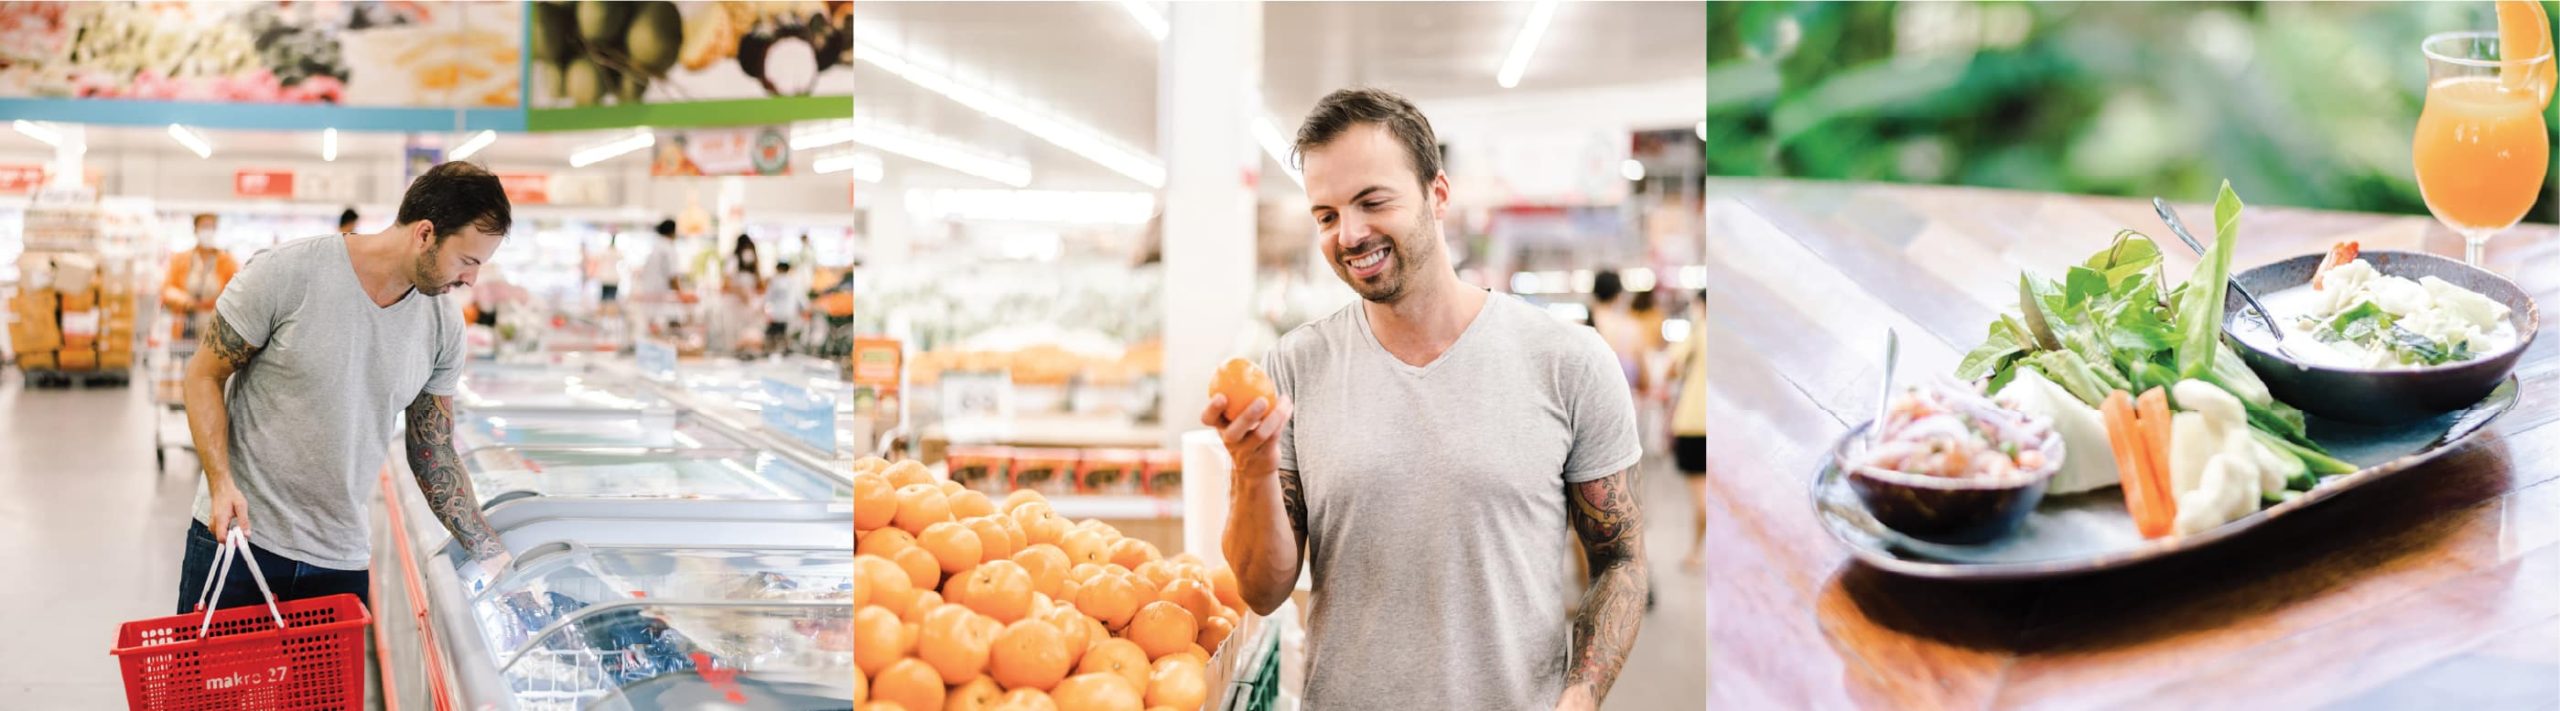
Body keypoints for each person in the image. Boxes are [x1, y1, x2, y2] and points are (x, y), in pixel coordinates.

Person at [1209, 88, 1647, 710]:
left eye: (1372, 201)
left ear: (1437, 194)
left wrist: (1581, 694)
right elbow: (1261, 590)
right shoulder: (1295, 367)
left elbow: (1621, 559)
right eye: (1327, 215)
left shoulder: (1568, 362)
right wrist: (1251, 472)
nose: (1351, 234)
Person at [177, 161, 516, 613]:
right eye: (467, 261)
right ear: (424, 234)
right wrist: (220, 484)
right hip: (239, 539)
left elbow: (431, 451)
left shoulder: (443, 327)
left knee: (324, 689)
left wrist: (488, 549)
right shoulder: (286, 273)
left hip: (339, 561)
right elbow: (203, 374)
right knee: (216, 687)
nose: (472, 280)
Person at [1664, 289, 1708, 572]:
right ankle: (1697, 550)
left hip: (1694, 423)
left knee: (1701, 495)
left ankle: (1697, 551)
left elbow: (1670, 369)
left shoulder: (1698, 332)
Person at [161, 214, 240, 343]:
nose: (208, 231)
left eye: (211, 227)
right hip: (185, 325)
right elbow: (167, 289)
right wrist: (185, 300)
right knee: (184, 358)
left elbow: (236, 294)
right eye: (204, 226)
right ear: (196, 229)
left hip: (215, 328)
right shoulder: (180, 259)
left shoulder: (227, 261)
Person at [765, 261, 808, 355]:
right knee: (786, 334)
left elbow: (768, 298)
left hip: (776, 314)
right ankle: (785, 350)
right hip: (789, 313)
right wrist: (805, 308)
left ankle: (773, 351)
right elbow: (801, 298)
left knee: (774, 335)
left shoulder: (774, 281)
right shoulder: (793, 281)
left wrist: (766, 310)